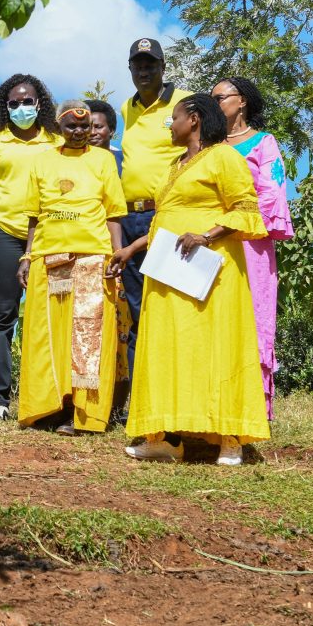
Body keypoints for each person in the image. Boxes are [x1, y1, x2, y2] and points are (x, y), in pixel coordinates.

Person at [111, 94, 269, 466]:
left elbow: (246, 209)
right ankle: (167, 438)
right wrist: (132, 248)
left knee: (215, 347)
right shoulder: (176, 165)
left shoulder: (223, 157)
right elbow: (167, 218)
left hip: (209, 271)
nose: (170, 125)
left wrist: (206, 235)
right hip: (170, 272)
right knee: (169, 351)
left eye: (174, 119)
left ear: (194, 120)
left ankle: (229, 439)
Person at [16, 101, 126, 435]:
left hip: (92, 255)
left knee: (87, 338)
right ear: (59, 128)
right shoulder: (42, 160)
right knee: (46, 335)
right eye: (72, 127)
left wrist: (117, 254)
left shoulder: (104, 159)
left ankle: (85, 416)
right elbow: (34, 216)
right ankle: (47, 409)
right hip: (48, 257)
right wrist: (26, 255)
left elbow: (114, 212)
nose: (79, 132)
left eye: (85, 127)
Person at [0, 74, 62, 424]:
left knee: (49, 318)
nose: (21, 108)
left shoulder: (55, 142)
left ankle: (47, 398)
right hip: (4, 235)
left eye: (27, 101)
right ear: (3, 107)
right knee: (1, 317)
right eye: (13, 103)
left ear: (39, 103)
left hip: (48, 234)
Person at [117, 39, 194, 422]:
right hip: (129, 218)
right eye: (137, 64)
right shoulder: (126, 108)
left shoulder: (184, 103)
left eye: (150, 64)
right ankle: (140, 399)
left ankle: (174, 396)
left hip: (166, 215)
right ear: (130, 68)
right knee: (137, 311)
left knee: (167, 306)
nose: (143, 71)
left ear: (163, 66)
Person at [211, 77, 294, 419]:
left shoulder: (264, 143)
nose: (214, 103)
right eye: (211, 98)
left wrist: (234, 223)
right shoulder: (210, 145)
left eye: (220, 97)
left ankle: (252, 410)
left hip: (250, 245)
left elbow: (271, 194)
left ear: (241, 100)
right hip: (209, 244)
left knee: (251, 319)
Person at [86, 98, 133, 419]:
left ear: (111, 130)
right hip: (84, 250)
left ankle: (118, 404)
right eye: (86, 126)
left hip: (117, 250)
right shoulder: (72, 160)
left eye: (98, 126)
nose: (91, 132)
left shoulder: (123, 161)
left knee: (122, 329)